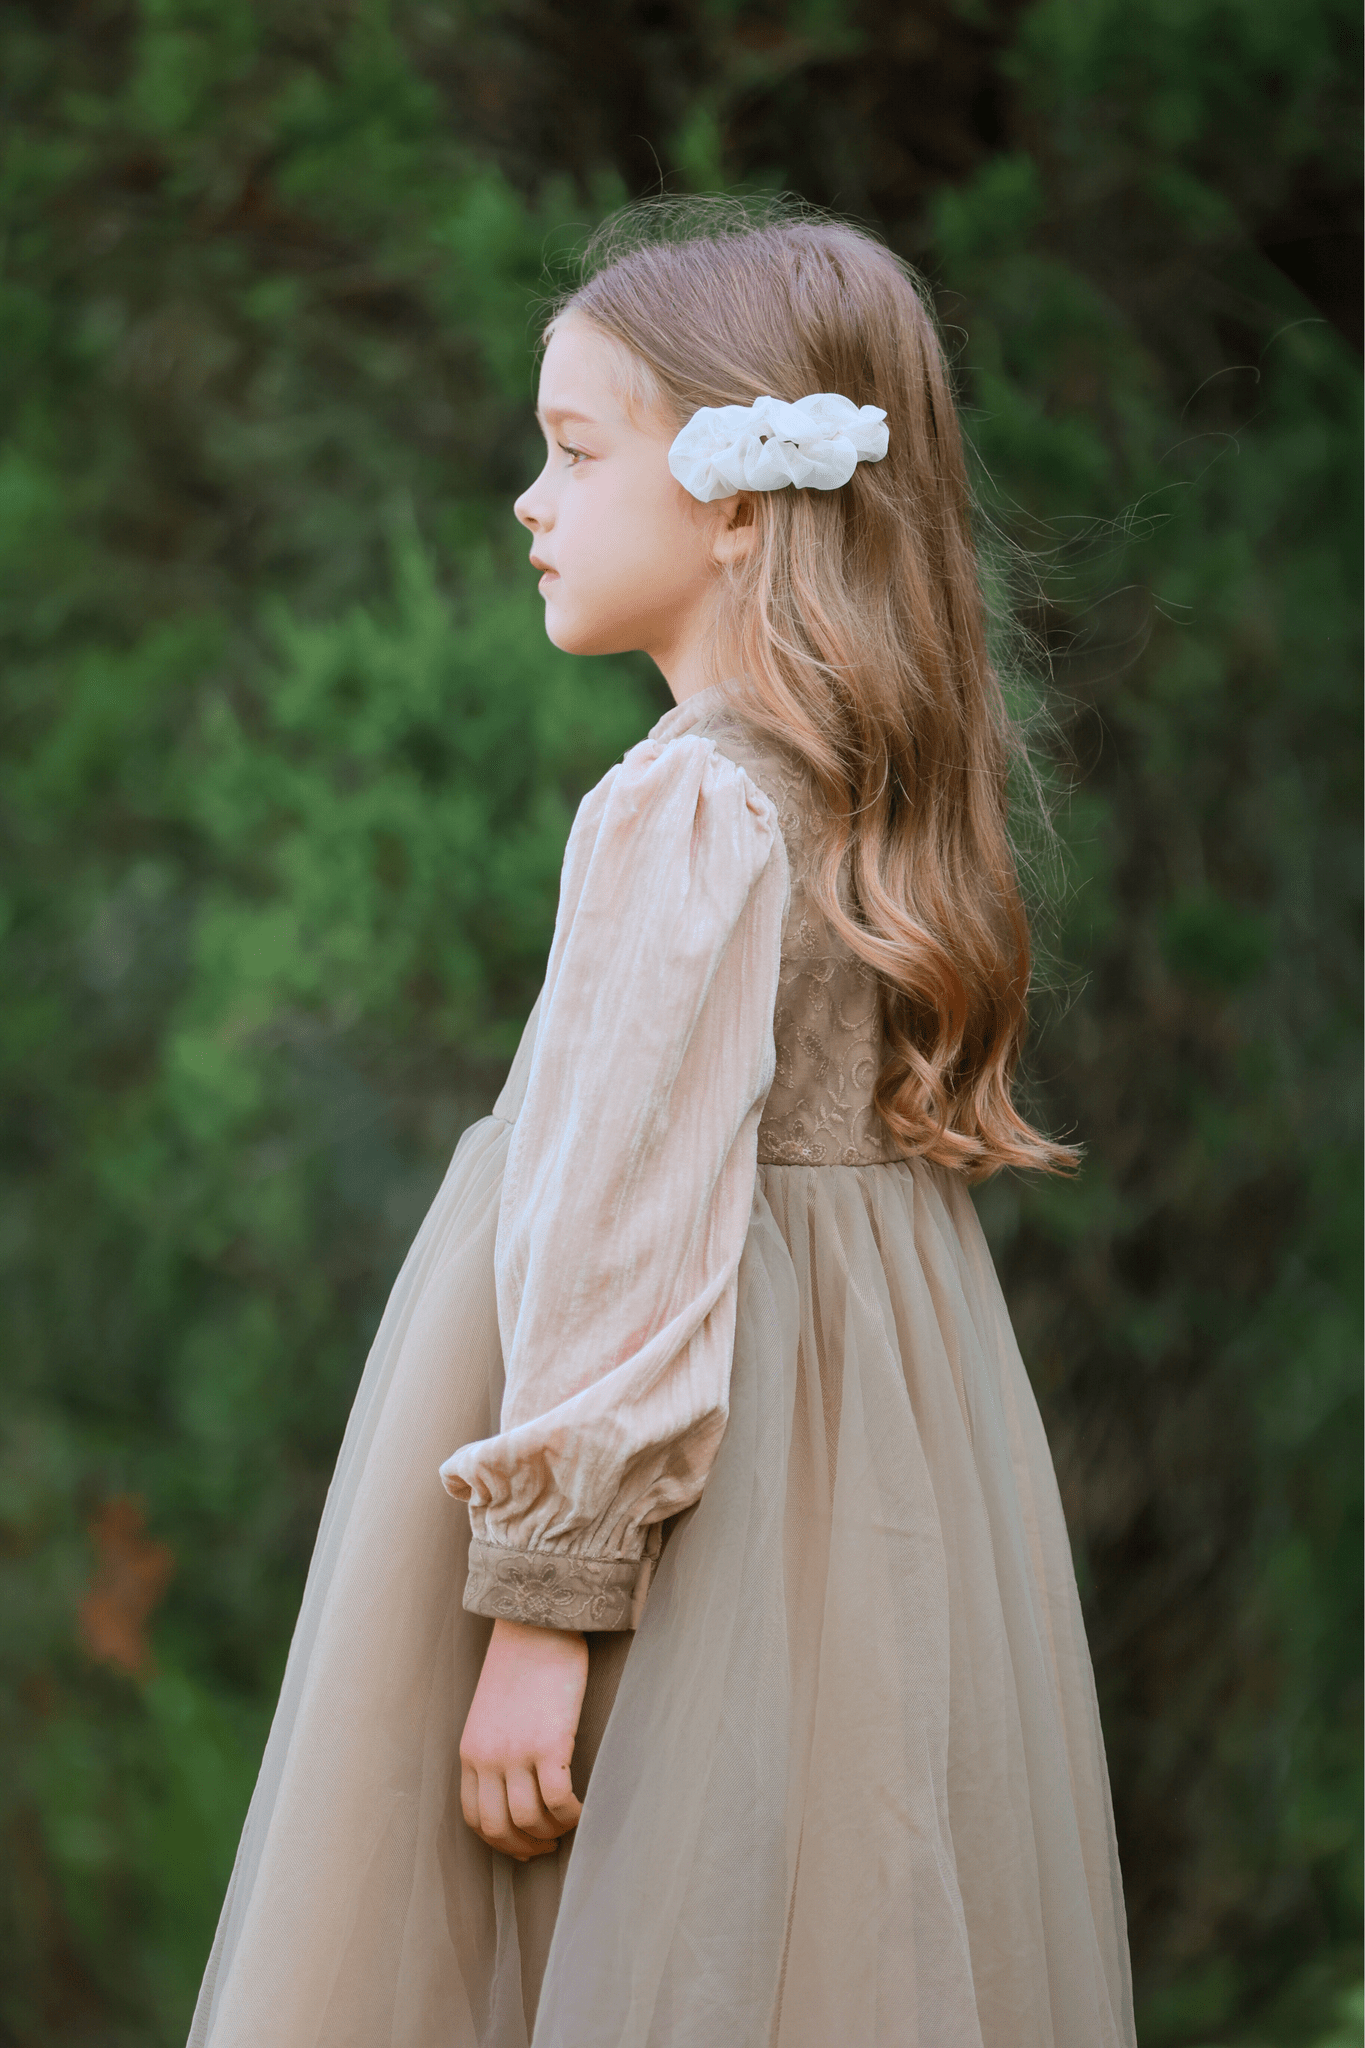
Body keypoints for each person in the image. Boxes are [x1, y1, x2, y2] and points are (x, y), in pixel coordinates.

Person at [190, 205, 1137, 2048]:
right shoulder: (855, 805)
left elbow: (632, 1223)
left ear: (736, 505)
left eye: (572, 451)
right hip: (857, 1509)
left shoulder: (688, 809)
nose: (528, 502)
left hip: (668, 1534)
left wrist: (542, 1613)